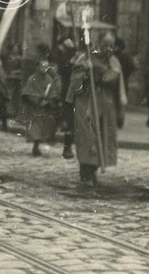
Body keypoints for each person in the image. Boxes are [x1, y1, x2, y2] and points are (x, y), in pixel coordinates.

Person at [66, 33, 124, 185]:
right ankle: (86, 171)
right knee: (87, 136)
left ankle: (94, 170)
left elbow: (116, 83)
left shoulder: (114, 61)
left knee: (103, 136)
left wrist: (107, 76)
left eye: (111, 45)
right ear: (99, 44)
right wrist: (85, 73)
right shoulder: (85, 58)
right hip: (87, 103)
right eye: (105, 44)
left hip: (105, 104)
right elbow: (74, 82)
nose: (108, 48)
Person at [20, 56, 62, 157]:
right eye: (42, 66)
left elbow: (53, 93)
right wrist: (37, 99)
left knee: (43, 127)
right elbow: (28, 92)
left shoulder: (49, 79)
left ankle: (37, 144)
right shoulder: (32, 79)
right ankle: (35, 145)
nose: (44, 68)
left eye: (46, 66)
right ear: (37, 67)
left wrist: (48, 101)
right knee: (35, 127)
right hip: (34, 108)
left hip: (44, 109)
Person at [52, 36, 77, 158]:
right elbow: (61, 70)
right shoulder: (62, 57)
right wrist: (71, 62)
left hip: (79, 92)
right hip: (67, 91)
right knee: (69, 120)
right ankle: (67, 148)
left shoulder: (76, 55)